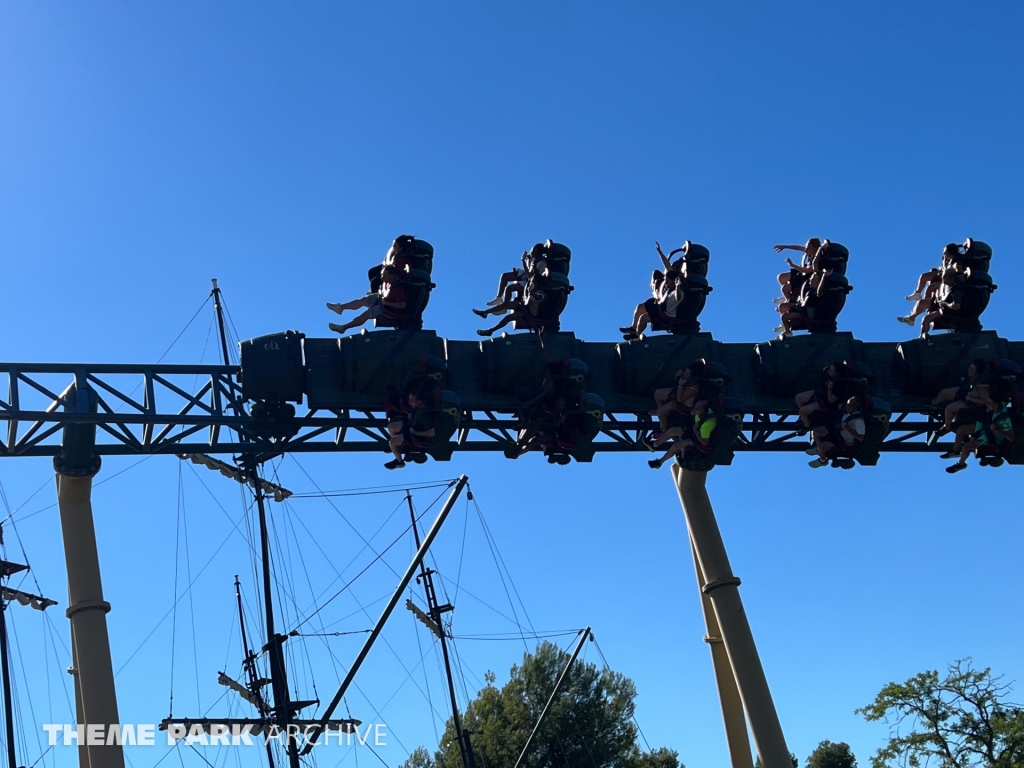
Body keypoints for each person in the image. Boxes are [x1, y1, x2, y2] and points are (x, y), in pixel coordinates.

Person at [945, 400, 1015, 473]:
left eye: (989, 404)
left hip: (990, 439)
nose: (987, 405)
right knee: (960, 430)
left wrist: (996, 430)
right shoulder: (1001, 405)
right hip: (986, 427)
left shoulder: (1004, 420)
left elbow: (1011, 438)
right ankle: (955, 451)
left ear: (995, 405)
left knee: (965, 447)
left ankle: (961, 464)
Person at [648, 399, 716, 469]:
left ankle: (660, 462)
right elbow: (694, 414)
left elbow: (705, 443)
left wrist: (695, 430)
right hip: (694, 430)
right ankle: (654, 445)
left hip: (698, 440)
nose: (695, 409)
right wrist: (693, 412)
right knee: (672, 430)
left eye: (697, 409)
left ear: (703, 410)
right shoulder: (702, 412)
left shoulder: (707, 424)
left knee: (676, 446)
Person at [621, 270, 684, 340]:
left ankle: (637, 335)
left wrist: (677, 286)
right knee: (640, 307)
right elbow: (668, 267)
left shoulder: (678, 292)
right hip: (659, 307)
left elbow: (678, 297)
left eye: (668, 281)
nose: (666, 282)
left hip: (666, 315)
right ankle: (633, 328)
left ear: (673, 281)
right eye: (666, 280)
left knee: (643, 318)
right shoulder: (667, 287)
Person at [807, 395, 866, 468]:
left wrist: (847, 427)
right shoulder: (848, 411)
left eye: (848, 405)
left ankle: (822, 460)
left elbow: (861, 437)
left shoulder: (858, 420)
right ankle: (818, 450)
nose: (846, 406)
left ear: (854, 406)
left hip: (844, 442)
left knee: (821, 447)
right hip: (837, 434)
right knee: (815, 431)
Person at [384, 391, 437, 470]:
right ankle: (398, 446)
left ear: (419, 401)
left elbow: (431, 433)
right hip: (412, 425)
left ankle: (399, 462)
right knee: (391, 426)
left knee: (392, 442)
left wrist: (416, 432)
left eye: (412, 400)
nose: (410, 402)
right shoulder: (417, 408)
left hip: (415, 434)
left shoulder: (423, 416)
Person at [932, 359, 988, 432]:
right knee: (944, 392)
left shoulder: (981, 385)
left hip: (972, 404)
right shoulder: (971, 378)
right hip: (964, 393)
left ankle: (947, 427)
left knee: (949, 409)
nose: (969, 370)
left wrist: (971, 399)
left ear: (977, 373)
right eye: (969, 368)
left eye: (972, 369)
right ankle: (932, 405)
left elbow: (986, 401)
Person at [916, 262, 969, 338]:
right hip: (945, 310)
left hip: (952, 313)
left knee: (927, 319)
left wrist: (945, 304)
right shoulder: (949, 287)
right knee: (926, 319)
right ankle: (922, 336)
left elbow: (956, 306)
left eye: (945, 278)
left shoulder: (956, 290)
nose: (943, 280)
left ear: (951, 278)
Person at [772, 239, 821, 304]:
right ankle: (787, 296)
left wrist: (792, 265)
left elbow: (806, 270)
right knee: (781, 277)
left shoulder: (819, 258)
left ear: (813, 247)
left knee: (784, 288)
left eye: (808, 247)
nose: (806, 249)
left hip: (806, 277)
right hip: (801, 272)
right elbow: (799, 247)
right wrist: (784, 247)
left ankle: (790, 302)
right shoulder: (810, 251)